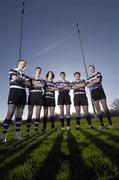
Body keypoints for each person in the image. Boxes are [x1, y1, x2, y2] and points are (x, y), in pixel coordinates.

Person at [1, 59, 30, 143]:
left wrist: (20, 79)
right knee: (10, 113)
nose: (22, 65)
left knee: (19, 114)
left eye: (24, 65)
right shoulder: (12, 70)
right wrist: (23, 81)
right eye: (21, 64)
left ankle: (18, 135)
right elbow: (14, 78)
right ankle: (3, 137)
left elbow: (29, 84)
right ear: (18, 64)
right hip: (14, 92)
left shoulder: (25, 75)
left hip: (23, 93)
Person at [87, 65, 113, 129]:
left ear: (94, 68)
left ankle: (110, 124)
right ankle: (102, 124)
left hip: (99, 90)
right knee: (98, 109)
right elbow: (87, 85)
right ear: (89, 70)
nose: (91, 69)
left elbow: (98, 80)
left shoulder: (98, 73)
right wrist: (93, 82)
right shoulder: (88, 78)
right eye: (90, 69)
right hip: (93, 92)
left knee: (105, 107)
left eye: (92, 68)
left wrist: (91, 82)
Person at [26, 67, 45, 138]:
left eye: (39, 71)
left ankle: (36, 131)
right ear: (35, 71)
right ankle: (28, 132)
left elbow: (42, 85)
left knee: (38, 113)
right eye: (37, 70)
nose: (38, 72)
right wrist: (36, 85)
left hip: (39, 96)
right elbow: (28, 85)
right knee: (30, 113)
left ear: (40, 72)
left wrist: (34, 84)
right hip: (32, 96)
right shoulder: (30, 78)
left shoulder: (42, 79)